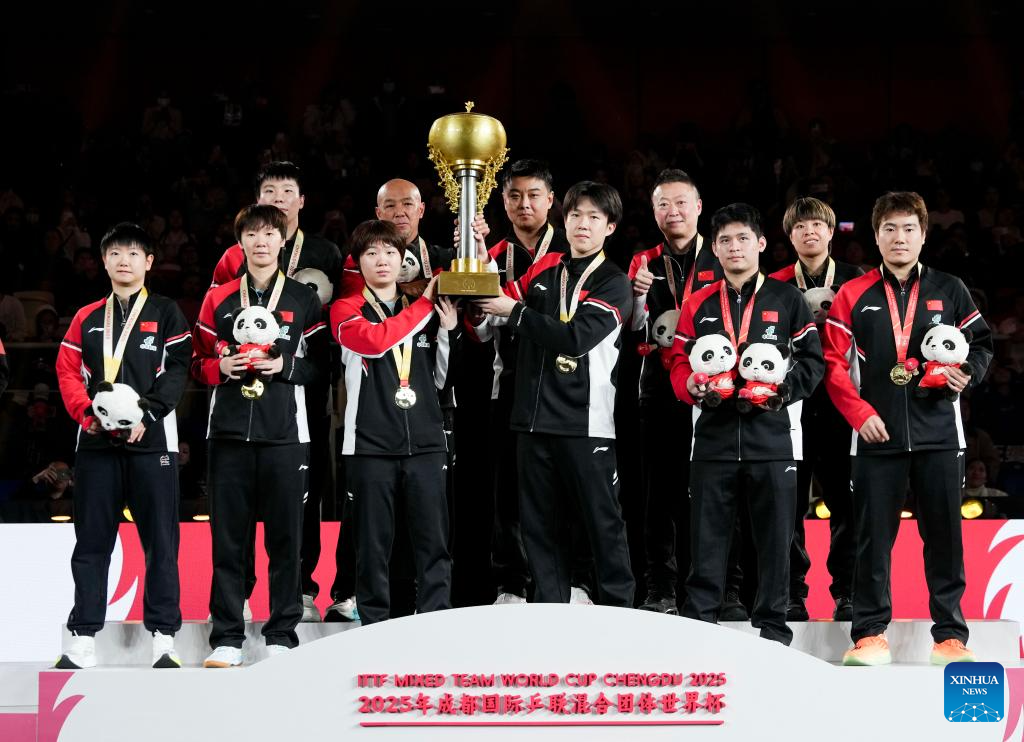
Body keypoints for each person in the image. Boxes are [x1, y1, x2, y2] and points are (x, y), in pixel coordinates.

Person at [823, 191, 993, 666]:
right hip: (876, 436)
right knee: (872, 541)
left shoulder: (950, 289)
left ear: (923, 235)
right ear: (876, 237)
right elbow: (832, 363)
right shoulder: (853, 294)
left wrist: (967, 373)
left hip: (940, 435)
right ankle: (869, 635)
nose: (900, 238)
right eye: (890, 229)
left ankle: (950, 636)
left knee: (945, 538)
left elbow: (981, 344)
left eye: (909, 229)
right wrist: (860, 414)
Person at [669, 203, 824, 645]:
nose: (734, 247)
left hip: (772, 439)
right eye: (725, 240)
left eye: (742, 239)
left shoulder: (787, 299)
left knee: (775, 541)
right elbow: (678, 360)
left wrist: (783, 392)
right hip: (712, 441)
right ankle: (701, 627)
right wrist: (689, 386)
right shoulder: (698, 302)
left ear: (760, 244)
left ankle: (773, 630)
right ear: (715, 249)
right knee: (706, 540)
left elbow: (812, 361)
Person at [474, 181, 635, 606]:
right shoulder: (544, 272)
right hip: (531, 418)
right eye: (576, 215)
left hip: (586, 421)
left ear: (610, 227)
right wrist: (479, 257)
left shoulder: (614, 282)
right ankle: (549, 608)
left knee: (601, 521)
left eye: (594, 217)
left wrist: (515, 312)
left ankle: (620, 610)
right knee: (538, 526)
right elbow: (495, 304)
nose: (583, 224)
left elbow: (575, 338)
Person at [192, 204, 328, 667]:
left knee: (286, 541)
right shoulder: (218, 298)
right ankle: (227, 637)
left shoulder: (304, 299)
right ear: (241, 242)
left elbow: (322, 365)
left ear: (283, 239)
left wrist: (285, 366)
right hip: (227, 433)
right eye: (252, 234)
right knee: (229, 540)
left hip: (286, 434)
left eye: (270, 233)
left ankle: (282, 635)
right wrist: (220, 367)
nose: (261, 241)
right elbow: (195, 362)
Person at [208, 161, 342, 623]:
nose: (278, 199)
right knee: (236, 517)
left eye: (287, 192)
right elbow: (209, 339)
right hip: (236, 407)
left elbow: (328, 340)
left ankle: (298, 597)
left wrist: (290, 365)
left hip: (296, 404)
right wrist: (223, 362)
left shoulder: (321, 261)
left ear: (301, 202)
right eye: (270, 191)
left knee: (299, 506)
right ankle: (237, 605)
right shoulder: (228, 269)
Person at [54, 222, 191, 669]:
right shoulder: (87, 316)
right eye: (115, 253)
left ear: (149, 261)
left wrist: (148, 414)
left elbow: (178, 369)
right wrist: (86, 414)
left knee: (161, 542)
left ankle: (164, 637)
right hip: (97, 444)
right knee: (92, 542)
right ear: (104, 261)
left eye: (133, 253)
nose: (124, 261)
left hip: (152, 442)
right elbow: (67, 371)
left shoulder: (167, 313)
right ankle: (83, 636)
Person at [329, 220, 458, 625]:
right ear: (358, 262)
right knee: (372, 543)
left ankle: (436, 619)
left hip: (426, 439)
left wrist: (446, 333)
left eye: (390, 252)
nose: (382, 260)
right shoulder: (345, 309)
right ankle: (375, 624)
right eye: (371, 253)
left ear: (403, 258)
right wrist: (425, 305)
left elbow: (440, 379)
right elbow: (375, 341)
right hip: (369, 444)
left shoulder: (424, 310)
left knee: (433, 541)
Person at [628, 169, 723, 615]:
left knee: (710, 491)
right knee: (659, 493)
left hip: (714, 390)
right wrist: (637, 297)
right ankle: (660, 587)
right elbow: (631, 327)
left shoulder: (720, 257)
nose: (673, 211)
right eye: (663, 204)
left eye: (681, 202)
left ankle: (710, 588)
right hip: (659, 387)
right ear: (654, 212)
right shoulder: (643, 262)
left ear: (698, 207)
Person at [769, 197, 862, 622]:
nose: (809, 232)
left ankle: (848, 592)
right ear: (790, 237)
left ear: (830, 232)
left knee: (846, 503)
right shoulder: (774, 284)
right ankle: (791, 592)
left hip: (842, 404)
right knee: (789, 504)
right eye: (800, 227)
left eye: (817, 225)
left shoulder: (856, 281)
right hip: (790, 406)